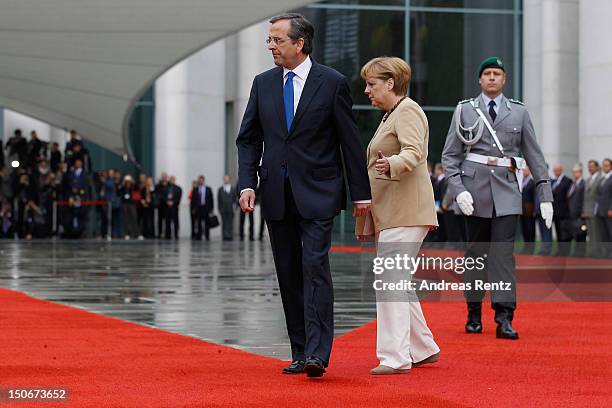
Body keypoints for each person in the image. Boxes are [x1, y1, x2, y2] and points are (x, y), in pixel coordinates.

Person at [236, 13, 371, 378]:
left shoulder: (332, 82)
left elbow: (349, 141)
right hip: (277, 194)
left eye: (277, 40)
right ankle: (300, 350)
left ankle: (317, 352)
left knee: (314, 267)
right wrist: (247, 183)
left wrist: (361, 195)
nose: (271, 46)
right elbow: (249, 138)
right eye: (269, 40)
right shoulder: (262, 84)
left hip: (319, 191)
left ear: (300, 43)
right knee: (289, 273)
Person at [442, 56, 554, 340]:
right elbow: (450, 157)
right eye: (487, 73)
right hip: (474, 193)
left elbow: (535, 156)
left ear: (504, 80)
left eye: (497, 74)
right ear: (480, 80)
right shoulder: (465, 110)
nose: (492, 77)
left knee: (503, 256)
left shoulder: (519, 112)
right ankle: (474, 312)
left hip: (507, 192)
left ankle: (504, 316)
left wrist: (545, 195)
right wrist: (458, 190)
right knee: (476, 256)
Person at [357, 56, 440, 375]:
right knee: (398, 281)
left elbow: (414, 152)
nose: (367, 90)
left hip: (405, 211)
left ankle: (395, 357)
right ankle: (423, 348)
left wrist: (390, 164)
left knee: (389, 280)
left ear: (391, 83)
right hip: (395, 211)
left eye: (372, 84)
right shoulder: (392, 114)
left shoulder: (408, 111)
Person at [582, 160, 603, 257]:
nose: (590, 168)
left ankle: (596, 253)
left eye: (592, 166)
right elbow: (585, 198)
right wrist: (584, 210)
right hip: (587, 211)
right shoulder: (587, 180)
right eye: (589, 166)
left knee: (596, 234)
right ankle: (590, 252)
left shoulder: (601, 179)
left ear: (597, 167)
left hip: (595, 211)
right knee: (589, 233)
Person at [551, 164, 572, 255]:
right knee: (558, 232)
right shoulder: (554, 182)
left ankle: (565, 251)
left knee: (565, 233)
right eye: (555, 170)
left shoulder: (567, 181)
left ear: (562, 170)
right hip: (555, 213)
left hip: (564, 213)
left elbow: (569, 197)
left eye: (558, 170)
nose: (556, 172)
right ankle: (560, 250)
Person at [566, 164, 586, 256]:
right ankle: (576, 252)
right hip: (571, 213)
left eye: (576, 172)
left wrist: (582, 212)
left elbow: (584, 199)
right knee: (575, 233)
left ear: (580, 172)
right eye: (573, 172)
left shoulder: (583, 184)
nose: (574, 174)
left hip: (579, 213)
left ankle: (581, 253)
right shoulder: (573, 184)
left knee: (581, 234)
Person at [594, 158, 612, 249]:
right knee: (604, 234)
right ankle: (607, 252)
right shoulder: (603, 179)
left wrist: (610, 209)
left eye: (607, 165)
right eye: (603, 165)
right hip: (601, 210)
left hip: (609, 211)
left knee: (610, 231)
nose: (605, 167)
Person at [520, 167, 536, 254]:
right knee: (524, 229)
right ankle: (526, 247)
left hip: (530, 209)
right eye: (523, 170)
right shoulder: (522, 181)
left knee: (530, 229)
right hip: (522, 209)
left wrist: (534, 210)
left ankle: (531, 249)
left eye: (525, 170)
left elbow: (534, 197)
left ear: (529, 171)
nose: (523, 172)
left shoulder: (532, 182)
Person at [192, 175, 213, 240]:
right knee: (198, 222)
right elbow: (193, 200)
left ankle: (207, 236)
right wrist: (193, 208)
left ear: (204, 180)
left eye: (202, 180)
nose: (201, 181)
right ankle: (199, 235)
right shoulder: (196, 189)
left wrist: (211, 209)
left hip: (206, 208)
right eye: (199, 180)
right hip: (198, 208)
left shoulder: (208, 189)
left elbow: (211, 199)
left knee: (207, 222)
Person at [218, 175, 236, 241]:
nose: (226, 180)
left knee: (230, 223)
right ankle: (224, 235)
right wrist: (219, 209)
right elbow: (219, 200)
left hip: (230, 208)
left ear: (229, 180)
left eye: (227, 179)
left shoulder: (233, 189)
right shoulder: (220, 189)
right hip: (223, 209)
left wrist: (235, 209)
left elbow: (235, 200)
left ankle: (230, 235)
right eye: (225, 179)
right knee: (224, 222)